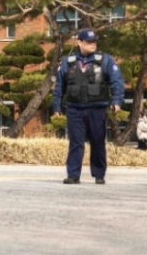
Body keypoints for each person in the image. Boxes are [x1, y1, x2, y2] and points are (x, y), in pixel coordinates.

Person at [53, 28, 125, 185]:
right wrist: (56, 106)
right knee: (75, 142)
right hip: (74, 108)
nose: (93, 45)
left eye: (94, 42)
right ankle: (73, 175)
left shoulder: (105, 60)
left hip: (97, 108)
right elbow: (59, 85)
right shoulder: (67, 62)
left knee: (98, 141)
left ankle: (99, 174)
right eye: (88, 42)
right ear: (79, 42)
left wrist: (117, 101)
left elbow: (117, 82)